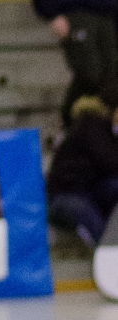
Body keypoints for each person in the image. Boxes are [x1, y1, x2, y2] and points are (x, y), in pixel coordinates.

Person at [46, 95, 118, 247]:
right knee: (90, 218)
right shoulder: (92, 128)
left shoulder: (94, 129)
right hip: (66, 195)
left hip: (84, 191)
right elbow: (110, 162)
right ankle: (108, 250)